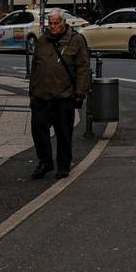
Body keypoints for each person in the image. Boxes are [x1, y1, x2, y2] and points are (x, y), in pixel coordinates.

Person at [27, 11, 91, 178]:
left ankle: (63, 165)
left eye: (56, 23)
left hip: (64, 96)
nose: (53, 26)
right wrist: (32, 90)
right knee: (38, 130)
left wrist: (80, 93)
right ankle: (45, 161)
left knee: (63, 134)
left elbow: (83, 68)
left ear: (63, 23)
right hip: (41, 95)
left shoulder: (75, 40)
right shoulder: (42, 41)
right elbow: (35, 66)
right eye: (50, 23)